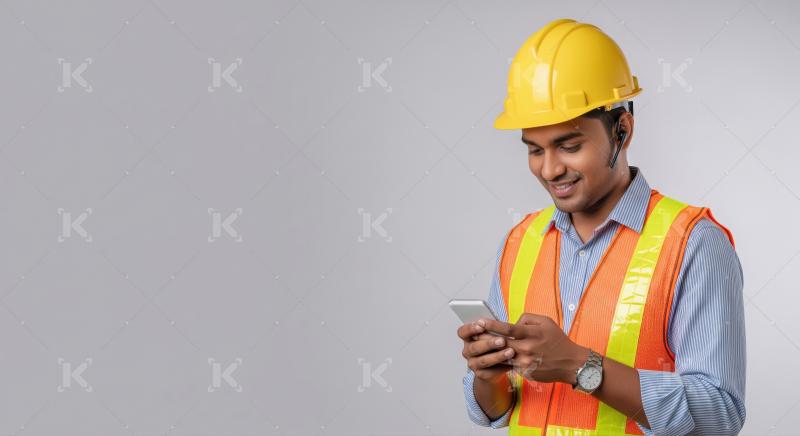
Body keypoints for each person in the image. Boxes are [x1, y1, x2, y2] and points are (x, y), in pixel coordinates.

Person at [456, 18, 746, 435]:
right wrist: (488, 375)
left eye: (570, 146)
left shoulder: (693, 244)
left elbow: (719, 416)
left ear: (622, 131)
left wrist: (579, 366)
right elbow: (496, 411)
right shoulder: (520, 242)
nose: (550, 170)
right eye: (535, 150)